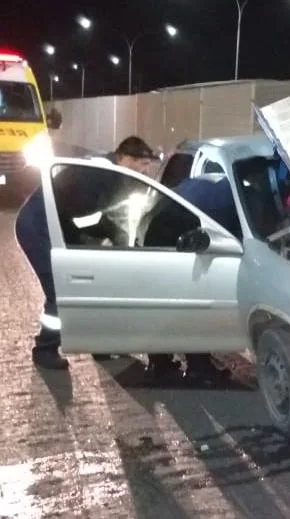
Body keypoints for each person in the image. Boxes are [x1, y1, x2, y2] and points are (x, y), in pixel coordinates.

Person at [15, 136, 156, 370]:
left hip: (57, 225)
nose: (145, 171)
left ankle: (99, 344)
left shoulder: (109, 170)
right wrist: (114, 233)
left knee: (91, 285)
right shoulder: (101, 175)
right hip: (38, 227)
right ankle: (45, 349)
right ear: (126, 158)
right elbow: (85, 218)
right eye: (143, 165)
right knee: (59, 289)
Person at [145, 173, 241, 384]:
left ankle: (159, 362)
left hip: (157, 226)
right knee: (195, 302)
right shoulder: (232, 201)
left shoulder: (217, 182)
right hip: (175, 235)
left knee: (165, 302)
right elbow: (233, 239)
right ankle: (199, 367)